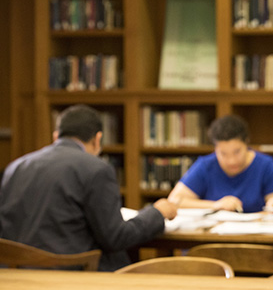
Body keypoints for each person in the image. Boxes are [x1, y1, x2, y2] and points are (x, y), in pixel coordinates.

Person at [0, 104, 178, 271]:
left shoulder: (15, 167)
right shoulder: (96, 169)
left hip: (17, 272)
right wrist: (156, 213)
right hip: (73, 273)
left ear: (56, 136)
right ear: (97, 139)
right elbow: (115, 237)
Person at [168, 114, 273, 213]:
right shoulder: (206, 165)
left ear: (246, 143)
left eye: (237, 152)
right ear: (215, 149)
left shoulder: (265, 165)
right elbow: (174, 200)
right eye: (223, 154)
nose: (231, 161)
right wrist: (215, 205)